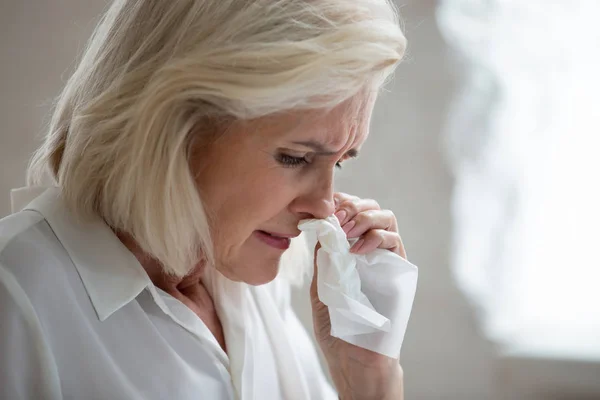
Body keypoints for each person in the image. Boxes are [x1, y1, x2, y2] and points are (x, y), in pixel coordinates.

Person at [0, 0, 409, 398]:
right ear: (174, 125)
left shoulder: (248, 285)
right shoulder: (16, 299)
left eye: (339, 163)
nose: (322, 207)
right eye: (295, 157)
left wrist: (366, 377)